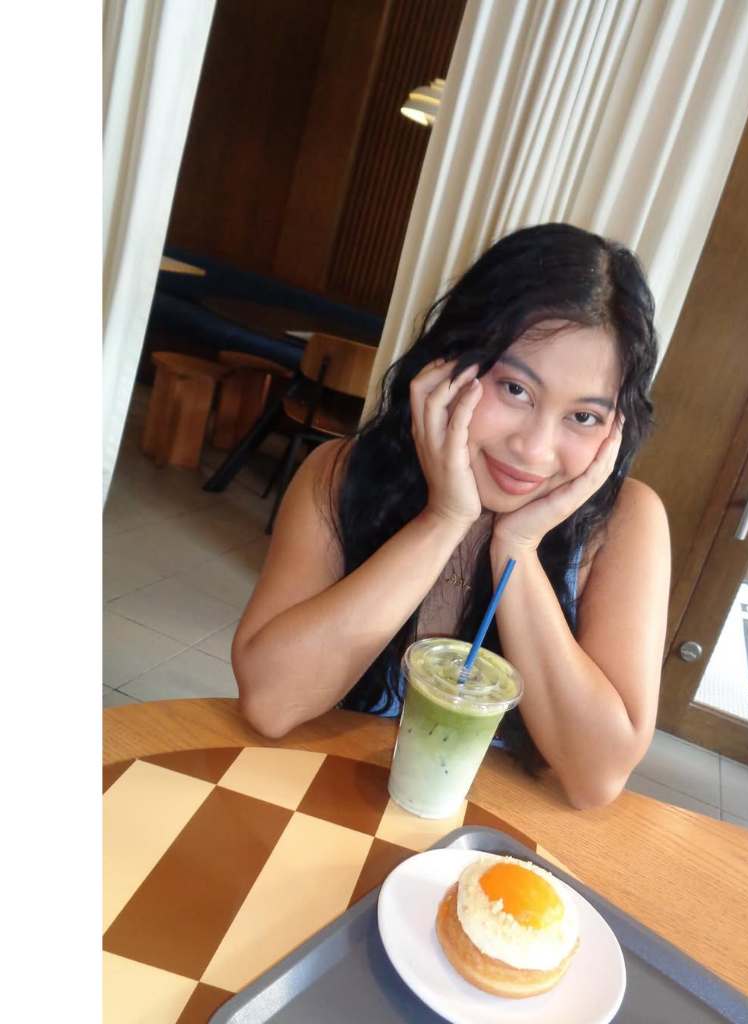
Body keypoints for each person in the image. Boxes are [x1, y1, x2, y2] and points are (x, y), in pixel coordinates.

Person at [232, 223, 671, 809]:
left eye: (583, 417)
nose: (534, 450)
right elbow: (270, 703)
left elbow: (595, 778)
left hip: (490, 844)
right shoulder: (339, 473)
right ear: (448, 365)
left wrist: (517, 549)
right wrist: (443, 519)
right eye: (515, 389)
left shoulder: (624, 523)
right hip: (321, 807)